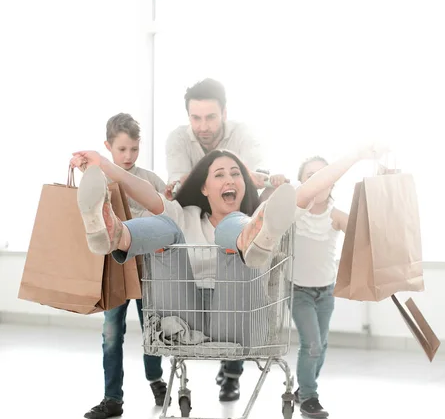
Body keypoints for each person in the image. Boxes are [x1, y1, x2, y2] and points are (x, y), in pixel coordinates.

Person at [70, 145, 386, 403]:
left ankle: (250, 239)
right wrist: (103, 166)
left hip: (237, 320)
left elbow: (308, 189)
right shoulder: (186, 215)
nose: (229, 179)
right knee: (165, 225)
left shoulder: (248, 215)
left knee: (234, 227)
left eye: (235, 173)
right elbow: (144, 192)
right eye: (219, 174)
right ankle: (113, 233)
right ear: (204, 187)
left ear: (245, 184)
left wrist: (356, 156)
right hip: (183, 320)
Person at [164, 77, 287, 394]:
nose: (202, 126)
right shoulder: (178, 139)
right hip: (198, 219)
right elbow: (179, 189)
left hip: (239, 215)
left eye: (210, 117)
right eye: (195, 118)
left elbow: (254, 181)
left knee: (241, 274)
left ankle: (232, 371)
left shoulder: (244, 134)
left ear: (225, 113)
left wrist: (230, 175)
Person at [84, 113, 168, 419]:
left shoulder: (148, 179)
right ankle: (112, 397)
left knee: (153, 328)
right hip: (116, 270)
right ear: (108, 147)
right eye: (121, 150)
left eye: (133, 149)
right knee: (111, 332)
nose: (128, 156)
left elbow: (166, 208)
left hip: (148, 267)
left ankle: (156, 380)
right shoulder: (100, 179)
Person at [289, 155, 350, 419]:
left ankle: (304, 388)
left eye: (322, 175)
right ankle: (309, 397)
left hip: (326, 292)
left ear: (331, 182)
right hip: (298, 291)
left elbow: (365, 233)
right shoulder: (294, 214)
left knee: (321, 346)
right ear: (301, 183)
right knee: (311, 344)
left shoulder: (335, 216)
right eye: (309, 176)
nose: (316, 180)